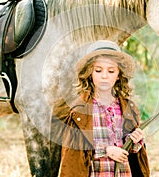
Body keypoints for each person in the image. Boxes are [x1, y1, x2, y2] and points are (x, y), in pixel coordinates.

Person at [53, 40, 150, 177]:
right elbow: (76, 148)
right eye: (98, 70)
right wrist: (106, 151)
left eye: (111, 71)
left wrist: (135, 140)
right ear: (90, 74)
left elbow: (132, 152)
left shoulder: (128, 109)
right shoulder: (80, 110)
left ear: (118, 75)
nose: (104, 76)